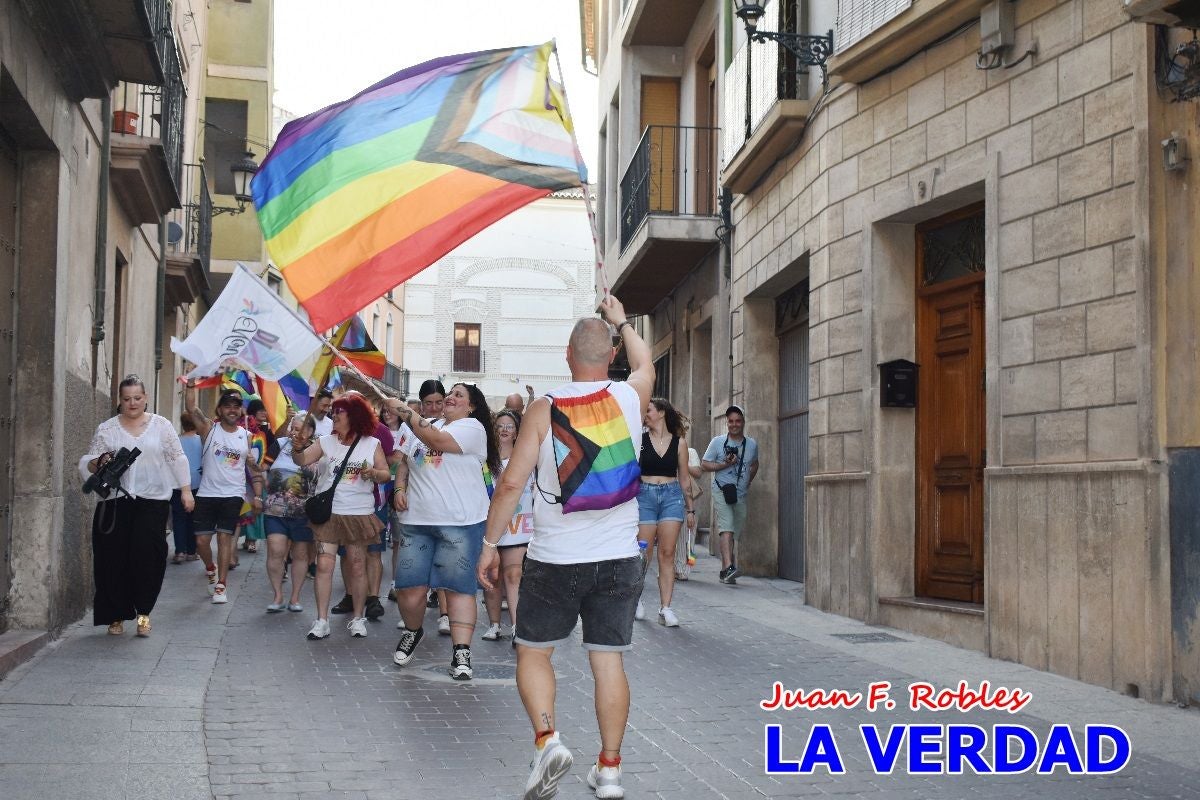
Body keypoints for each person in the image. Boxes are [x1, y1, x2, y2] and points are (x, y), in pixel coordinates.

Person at [478, 295, 653, 800]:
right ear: (611, 356)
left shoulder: (544, 408)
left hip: (555, 558)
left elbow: (511, 484)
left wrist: (491, 543)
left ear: (567, 354)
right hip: (619, 557)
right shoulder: (631, 396)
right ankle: (611, 770)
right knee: (609, 661)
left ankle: (548, 738)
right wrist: (622, 319)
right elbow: (645, 363)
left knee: (533, 651)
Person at [391, 382, 500, 681]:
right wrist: (400, 487)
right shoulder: (425, 426)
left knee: (457, 589)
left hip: (460, 523)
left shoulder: (471, 427)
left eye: (458, 395)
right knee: (409, 591)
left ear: (472, 405)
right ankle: (413, 632)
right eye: (449, 393)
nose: (450, 398)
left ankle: (461, 652)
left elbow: (434, 439)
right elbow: (404, 462)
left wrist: (401, 409)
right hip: (417, 522)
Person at [81, 375, 195, 637]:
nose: (132, 403)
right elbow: (88, 461)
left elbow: (177, 457)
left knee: (148, 557)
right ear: (119, 401)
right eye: (126, 399)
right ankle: (116, 616)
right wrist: (98, 462)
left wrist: (186, 491)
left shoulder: (161, 426)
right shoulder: (107, 428)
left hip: (152, 502)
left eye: (137, 398)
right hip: (114, 503)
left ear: (145, 398)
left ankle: (144, 613)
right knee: (112, 559)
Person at [291, 393, 390, 639]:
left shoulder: (372, 444)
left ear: (354, 416)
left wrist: (373, 473)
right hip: (329, 514)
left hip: (358, 513)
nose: (334, 415)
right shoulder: (325, 441)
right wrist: (297, 447)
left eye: (340, 412)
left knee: (357, 566)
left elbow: (386, 474)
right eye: (333, 411)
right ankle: (321, 620)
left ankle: (358, 618)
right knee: (324, 564)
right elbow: (302, 460)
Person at [185, 385, 261, 605]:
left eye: (236, 407)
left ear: (241, 411)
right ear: (219, 410)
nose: (232, 410)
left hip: (233, 494)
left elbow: (252, 467)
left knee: (224, 537)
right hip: (207, 493)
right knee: (201, 541)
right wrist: (191, 385)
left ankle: (221, 585)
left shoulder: (246, 436)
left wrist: (257, 490)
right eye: (227, 406)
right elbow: (191, 407)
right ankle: (211, 569)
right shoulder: (209, 428)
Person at [634, 397, 696, 627]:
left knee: (667, 553)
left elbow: (684, 477)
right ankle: (636, 600)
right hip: (644, 496)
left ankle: (665, 608)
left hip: (671, 497)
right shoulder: (638, 440)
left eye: (648, 410)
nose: (645, 414)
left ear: (661, 413)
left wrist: (690, 509)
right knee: (643, 553)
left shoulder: (679, 443)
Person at [480, 409, 532, 643]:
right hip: (490, 525)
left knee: (513, 574)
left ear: (517, 432)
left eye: (509, 426)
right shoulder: (484, 460)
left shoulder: (527, 458)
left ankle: (516, 627)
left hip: (518, 525)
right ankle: (493, 624)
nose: (503, 430)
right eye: (499, 425)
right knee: (493, 576)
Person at [262, 413, 319, 613]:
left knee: (300, 554)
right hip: (275, 509)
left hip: (303, 512)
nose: (295, 433)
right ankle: (278, 595)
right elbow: (264, 467)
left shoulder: (318, 449)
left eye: (300, 429)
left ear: (310, 431)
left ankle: (295, 597)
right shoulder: (280, 444)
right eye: (293, 428)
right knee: (276, 550)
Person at [701, 405, 760, 584]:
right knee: (726, 527)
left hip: (740, 493)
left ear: (743, 422)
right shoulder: (717, 442)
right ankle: (729, 567)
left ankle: (725, 572)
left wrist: (748, 481)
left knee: (734, 532)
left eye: (738, 421)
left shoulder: (751, 444)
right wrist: (724, 465)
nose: (734, 425)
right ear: (727, 423)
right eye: (731, 421)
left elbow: (755, 464)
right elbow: (704, 464)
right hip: (721, 489)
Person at [414, 379, 452, 632]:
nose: (435, 408)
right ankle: (414, 613)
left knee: (444, 562)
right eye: (429, 403)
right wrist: (399, 489)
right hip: (418, 507)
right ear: (422, 405)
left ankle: (446, 614)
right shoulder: (412, 428)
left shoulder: (455, 428)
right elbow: (406, 462)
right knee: (421, 562)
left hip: (447, 506)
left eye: (440, 402)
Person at [170, 413, 202, 564]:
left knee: (179, 518)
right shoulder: (202, 441)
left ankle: (180, 551)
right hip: (197, 484)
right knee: (194, 519)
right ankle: (191, 551)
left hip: (177, 484)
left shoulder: (176, 440)